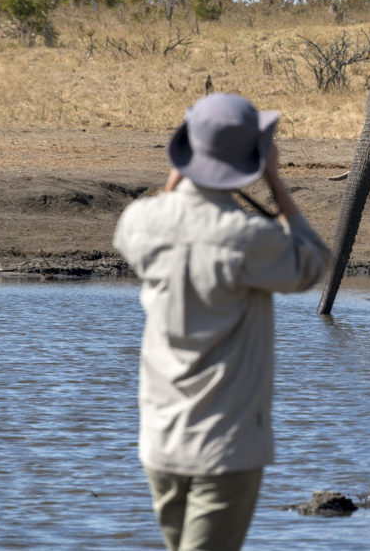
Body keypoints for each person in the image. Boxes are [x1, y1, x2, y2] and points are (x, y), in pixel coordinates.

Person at [113, 92, 332, 551]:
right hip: (226, 447)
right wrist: (275, 182)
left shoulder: (140, 223)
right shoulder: (251, 238)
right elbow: (313, 263)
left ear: (188, 151)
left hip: (160, 441)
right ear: (251, 157)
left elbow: (149, 221)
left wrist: (181, 172)